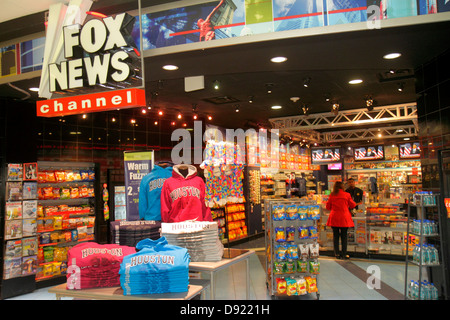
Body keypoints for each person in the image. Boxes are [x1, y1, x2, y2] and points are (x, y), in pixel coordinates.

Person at [326, 181, 356, 260]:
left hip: (334, 217)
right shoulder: (347, 195)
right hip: (344, 217)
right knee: (344, 236)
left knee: (335, 236)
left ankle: (336, 254)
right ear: (342, 187)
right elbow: (353, 205)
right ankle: (344, 254)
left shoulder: (332, 195)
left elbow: (328, 207)